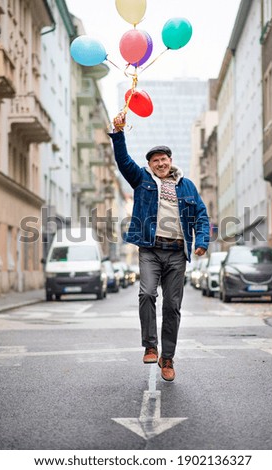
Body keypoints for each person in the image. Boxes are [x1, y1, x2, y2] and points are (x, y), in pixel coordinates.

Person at [109, 112, 210, 382]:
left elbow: (201, 215)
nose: (161, 163)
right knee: (146, 294)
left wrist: (201, 242)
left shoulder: (187, 186)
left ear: (170, 161)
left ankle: (168, 358)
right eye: (156, 161)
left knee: (172, 307)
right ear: (151, 166)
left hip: (178, 252)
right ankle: (150, 346)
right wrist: (118, 134)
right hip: (151, 250)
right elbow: (123, 161)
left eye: (164, 159)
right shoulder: (141, 180)